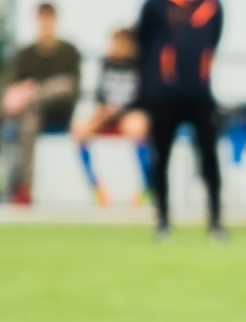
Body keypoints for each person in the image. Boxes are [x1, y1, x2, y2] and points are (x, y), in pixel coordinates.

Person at [136, 0, 224, 240]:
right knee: (161, 158)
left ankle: (216, 221)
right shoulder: (154, 6)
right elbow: (142, 45)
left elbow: (213, 40)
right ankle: (162, 221)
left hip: (200, 94)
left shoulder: (211, 6)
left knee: (209, 156)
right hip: (163, 95)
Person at [2, 3, 81, 207]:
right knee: (28, 115)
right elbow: (15, 88)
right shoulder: (26, 53)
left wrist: (34, 90)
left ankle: (21, 185)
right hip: (32, 111)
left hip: (59, 108)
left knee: (60, 85)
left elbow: (71, 88)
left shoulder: (68, 51)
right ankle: (24, 187)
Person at [71, 26, 149, 206]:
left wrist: (120, 110)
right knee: (79, 129)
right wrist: (104, 112)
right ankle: (96, 187)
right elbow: (100, 95)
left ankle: (147, 187)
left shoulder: (140, 66)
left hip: (129, 114)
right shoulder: (107, 63)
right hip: (107, 113)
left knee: (137, 127)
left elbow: (143, 98)